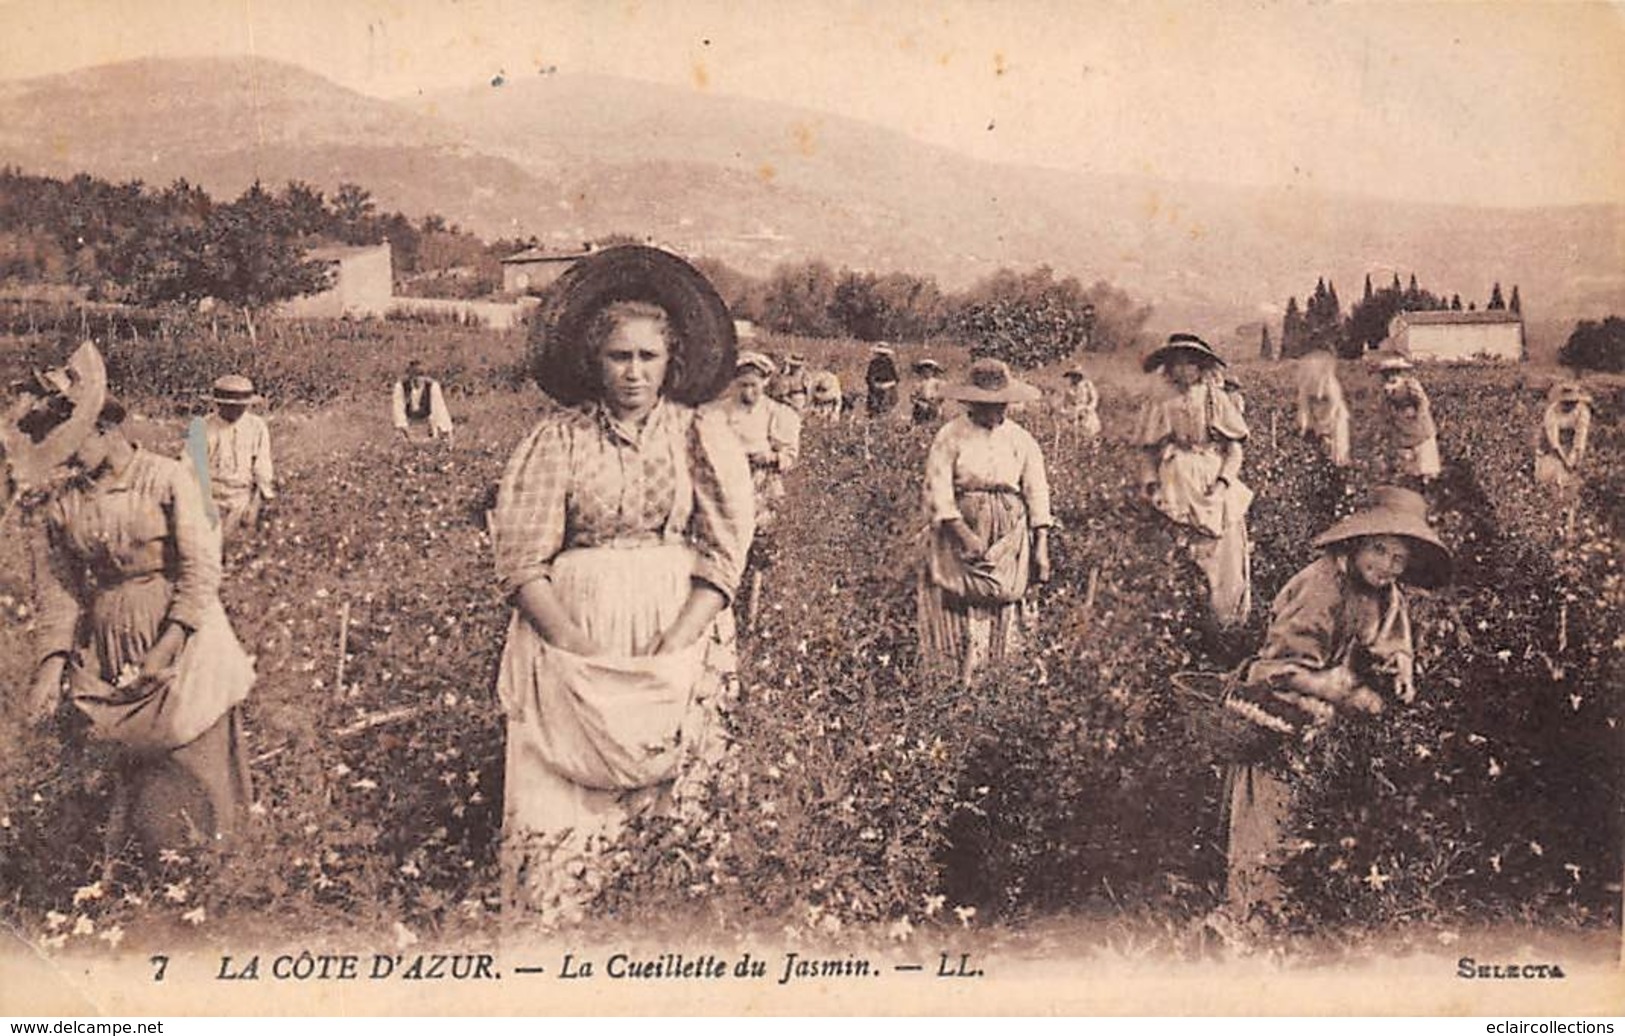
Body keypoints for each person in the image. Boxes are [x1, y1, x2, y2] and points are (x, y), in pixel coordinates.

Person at [491, 247, 754, 926]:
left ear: (671, 361)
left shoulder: (699, 435)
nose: (633, 372)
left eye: (647, 357)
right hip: (572, 636)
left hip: (676, 631)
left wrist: (674, 646)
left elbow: (724, 553)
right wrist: (576, 650)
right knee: (564, 812)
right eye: (618, 357)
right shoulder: (559, 440)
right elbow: (521, 559)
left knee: (674, 795)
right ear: (594, 361)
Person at [11, 343, 255, 873]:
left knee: (191, 762)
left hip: (182, 639)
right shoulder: (62, 504)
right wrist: (50, 668)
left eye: (73, 445)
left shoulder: (167, 478)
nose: (68, 459)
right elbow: (58, 591)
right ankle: (135, 880)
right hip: (107, 641)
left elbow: (200, 570)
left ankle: (210, 880)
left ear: (105, 426)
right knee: (123, 776)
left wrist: (167, 647)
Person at [1222, 486, 1450, 928]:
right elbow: (1278, 668)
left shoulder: (1384, 592)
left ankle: (1300, 911)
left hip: (1320, 720)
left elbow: (1392, 638)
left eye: (1398, 559)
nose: (1386, 566)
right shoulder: (1321, 585)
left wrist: (1402, 667)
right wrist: (1342, 691)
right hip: (1277, 712)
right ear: (1357, 542)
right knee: (1268, 811)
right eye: (1379, 551)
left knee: (1314, 816)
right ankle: (1251, 914)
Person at [918, 358, 1053, 683]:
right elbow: (937, 489)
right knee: (958, 597)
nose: (999, 413)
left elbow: (1037, 490)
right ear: (973, 403)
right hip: (960, 528)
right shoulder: (951, 436)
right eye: (991, 406)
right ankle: (954, 677)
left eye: (1002, 405)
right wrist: (962, 532)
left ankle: (1001, 675)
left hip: (1010, 532)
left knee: (1007, 598)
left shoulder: (1020, 439)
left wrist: (1041, 546)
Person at [1136, 333, 1253, 629]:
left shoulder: (1215, 397)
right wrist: (1151, 483)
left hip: (1211, 481)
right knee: (1177, 550)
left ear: (1201, 367)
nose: (1182, 370)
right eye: (1176, 364)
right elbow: (1148, 451)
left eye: (1189, 364)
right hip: (1175, 482)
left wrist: (1224, 482)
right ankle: (1177, 623)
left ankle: (1225, 626)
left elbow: (1234, 449)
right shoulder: (1161, 400)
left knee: (1222, 554)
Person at [712, 350, 802, 630]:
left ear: (765, 383)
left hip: (762, 489)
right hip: (725, 489)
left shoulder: (777, 414)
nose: (748, 391)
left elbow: (789, 455)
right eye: (743, 384)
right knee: (724, 549)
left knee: (757, 553)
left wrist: (771, 458)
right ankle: (720, 617)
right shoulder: (721, 412)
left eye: (754, 385)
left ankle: (749, 617)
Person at [198, 374, 275, 541]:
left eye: (241, 406)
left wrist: (254, 507)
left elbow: (262, 471)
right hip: (210, 500)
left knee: (239, 547)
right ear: (218, 404)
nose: (236, 410)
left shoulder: (256, 426)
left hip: (241, 499)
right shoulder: (203, 427)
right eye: (229, 406)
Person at [1375, 355, 1440, 485]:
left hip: (1418, 429)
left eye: (1395, 371)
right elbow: (1384, 410)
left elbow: (1423, 402)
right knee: (1407, 468)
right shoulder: (1384, 390)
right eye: (1388, 372)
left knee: (1424, 466)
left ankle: (1426, 486)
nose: (1391, 375)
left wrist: (1415, 414)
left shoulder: (1410, 384)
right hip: (1401, 430)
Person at [1533, 381, 1593, 492]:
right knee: (1550, 480)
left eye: (1573, 402)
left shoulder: (1582, 411)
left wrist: (1577, 458)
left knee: (1571, 481)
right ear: (1561, 401)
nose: (1570, 405)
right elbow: (1554, 442)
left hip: (1570, 446)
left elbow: (1580, 437)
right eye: (1566, 402)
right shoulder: (1552, 412)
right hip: (1550, 450)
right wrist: (1565, 462)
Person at [1295, 352, 1351, 468]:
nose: (1319, 399)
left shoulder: (1332, 391)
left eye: (1324, 400)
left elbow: (1336, 413)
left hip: (1333, 436)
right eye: (1314, 400)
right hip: (1315, 434)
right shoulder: (1307, 391)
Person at [392, 360, 454, 443]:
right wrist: (404, 430)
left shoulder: (432, 387)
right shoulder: (401, 387)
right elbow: (398, 410)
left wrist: (446, 431)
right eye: (414, 377)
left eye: (420, 376)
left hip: (428, 425)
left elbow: (439, 409)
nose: (417, 380)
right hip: (409, 425)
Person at [1057, 368, 1102, 447]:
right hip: (1072, 411)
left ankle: (1091, 450)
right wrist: (1063, 410)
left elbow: (1094, 398)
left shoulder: (1087, 385)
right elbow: (1065, 400)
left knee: (1090, 431)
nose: (1074, 378)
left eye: (1076, 375)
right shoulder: (1069, 387)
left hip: (1085, 410)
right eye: (1072, 376)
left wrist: (1088, 408)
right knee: (1071, 433)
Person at [865, 343, 901, 418]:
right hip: (876, 388)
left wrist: (888, 385)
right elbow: (869, 377)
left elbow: (896, 378)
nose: (882, 357)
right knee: (875, 408)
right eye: (880, 354)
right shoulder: (873, 363)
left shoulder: (890, 363)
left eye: (884, 355)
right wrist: (875, 385)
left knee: (888, 408)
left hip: (888, 387)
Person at [910, 358, 945, 425]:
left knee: (937, 413)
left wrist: (936, 399)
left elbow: (942, 395)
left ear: (933, 372)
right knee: (921, 411)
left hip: (934, 404)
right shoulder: (919, 383)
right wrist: (918, 402)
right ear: (922, 372)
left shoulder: (937, 382)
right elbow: (912, 397)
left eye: (930, 371)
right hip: (922, 404)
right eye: (925, 371)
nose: (927, 373)